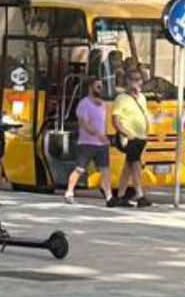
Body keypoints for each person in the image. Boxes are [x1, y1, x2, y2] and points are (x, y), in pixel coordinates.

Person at [64, 76, 112, 205]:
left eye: (101, 87)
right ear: (90, 87)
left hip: (101, 144)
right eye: (98, 86)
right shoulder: (84, 104)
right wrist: (99, 135)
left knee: (105, 170)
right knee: (80, 169)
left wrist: (105, 136)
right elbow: (84, 124)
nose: (101, 89)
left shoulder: (103, 104)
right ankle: (69, 192)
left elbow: (103, 123)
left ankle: (109, 197)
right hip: (86, 143)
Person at [111, 65, 154, 207]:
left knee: (128, 167)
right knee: (135, 165)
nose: (138, 82)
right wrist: (126, 133)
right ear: (127, 82)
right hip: (130, 138)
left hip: (141, 137)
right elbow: (115, 120)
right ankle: (140, 196)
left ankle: (121, 196)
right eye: (134, 79)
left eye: (140, 79)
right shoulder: (121, 98)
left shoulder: (142, 97)